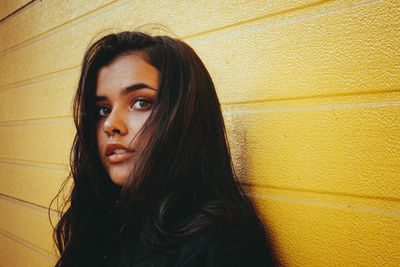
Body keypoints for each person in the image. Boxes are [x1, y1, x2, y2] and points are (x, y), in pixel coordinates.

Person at [53, 31, 276, 266]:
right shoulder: (102, 220)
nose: (110, 125)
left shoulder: (221, 243)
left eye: (141, 103)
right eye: (103, 110)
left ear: (186, 116)